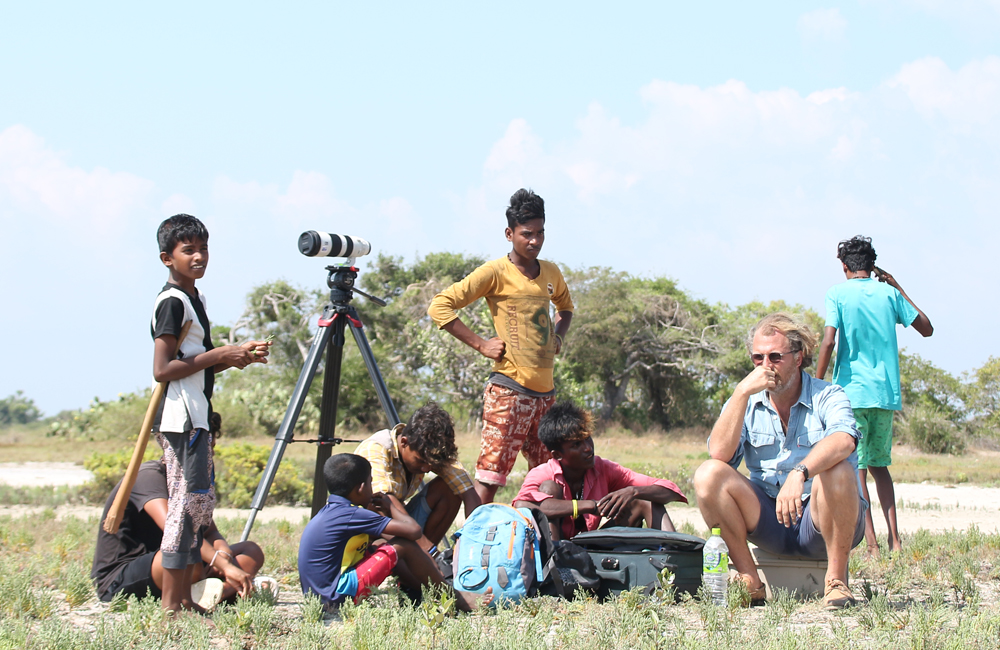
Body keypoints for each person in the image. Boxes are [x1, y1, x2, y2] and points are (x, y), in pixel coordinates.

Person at [694, 313, 867, 610]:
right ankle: (751, 581)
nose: (766, 366)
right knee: (708, 474)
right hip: (771, 521)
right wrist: (741, 391)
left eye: (775, 356)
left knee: (837, 468)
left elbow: (844, 439)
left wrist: (800, 473)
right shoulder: (745, 400)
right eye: (757, 358)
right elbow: (719, 455)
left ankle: (836, 581)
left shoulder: (828, 394)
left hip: (821, 517)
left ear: (798, 358)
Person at [149, 214, 272, 613]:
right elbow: (163, 369)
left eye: (203, 248)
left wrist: (236, 358)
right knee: (184, 510)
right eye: (189, 251)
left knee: (198, 509)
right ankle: (173, 607)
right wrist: (219, 354)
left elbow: (196, 363)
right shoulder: (171, 302)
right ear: (168, 258)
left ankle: (183, 601)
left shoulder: (195, 299)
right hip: (181, 419)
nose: (199, 256)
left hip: (198, 416)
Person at [428, 188, 574, 504]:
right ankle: (470, 548)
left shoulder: (550, 272)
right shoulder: (495, 272)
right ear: (509, 234)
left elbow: (565, 308)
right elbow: (440, 306)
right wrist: (481, 344)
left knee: (551, 478)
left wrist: (557, 336)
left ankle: (543, 548)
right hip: (510, 393)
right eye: (526, 234)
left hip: (545, 396)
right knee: (490, 479)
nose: (534, 241)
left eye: (540, 233)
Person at [816, 236, 933, 555]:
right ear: (872, 265)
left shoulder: (837, 294)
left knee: (857, 467)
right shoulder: (888, 293)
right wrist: (897, 286)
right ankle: (895, 541)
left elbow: (828, 343)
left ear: (844, 266)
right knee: (880, 466)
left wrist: (816, 384)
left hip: (849, 394)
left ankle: (872, 544)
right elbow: (927, 329)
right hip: (884, 394)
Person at [92, 416, 267, 607]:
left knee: (250, 551)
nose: (207, 456)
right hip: (124, 576)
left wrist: (223, 553)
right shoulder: (149, 476)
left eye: (211, 449)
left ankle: (217, 592)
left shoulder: (194, 483)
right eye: (201, 449)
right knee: (188, 562)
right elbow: (176, 529)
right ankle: (226, 592)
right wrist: (223, 565)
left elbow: (209, 532)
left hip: (180, 562)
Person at [298, 454, 492, 610]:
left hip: (320, 598)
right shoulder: (352, 514)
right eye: (371, 483)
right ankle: (451, 597)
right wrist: (390, 507)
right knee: (402, 545)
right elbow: (413, 531)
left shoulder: (331, 511)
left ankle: (422, 591)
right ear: (361, 488)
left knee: (380, 546)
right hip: (337, 597)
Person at [513, 402, 687, 541]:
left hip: (587, 546)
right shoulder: (542, 473)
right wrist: (588, 506)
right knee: (549, 490)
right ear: (558, 455)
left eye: (588, 439)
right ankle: (554, 573)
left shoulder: (603, 468)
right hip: (552, 554)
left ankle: (674, 565)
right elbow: (521, 506)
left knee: (645, 500)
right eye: (576, 445)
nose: (588, 449)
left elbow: (669, 490)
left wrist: (634, 491)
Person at [354, 402, 480, 556]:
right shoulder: (376, 449)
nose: (426, 469)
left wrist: (474, 543)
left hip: (400, 523)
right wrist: (430, 551)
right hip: (365, 529)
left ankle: (420, 563)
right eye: (420, 461)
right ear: (404, 442)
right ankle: (423, 559)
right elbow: (381, 502)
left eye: (431, 464)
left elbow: (467, 490)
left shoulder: (425, 449)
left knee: (449, 489)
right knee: (378, 504)